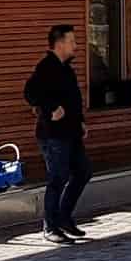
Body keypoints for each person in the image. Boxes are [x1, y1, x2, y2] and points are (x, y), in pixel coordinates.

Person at [26, 23, 92, 245]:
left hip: (71, 131)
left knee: (82, 172)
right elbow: (30, 93)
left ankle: (64, 217)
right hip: (53, 134)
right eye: (72, 41)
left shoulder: (66, 68)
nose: (75, 45)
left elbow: (74, 99)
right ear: (60, 43)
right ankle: (50, 226)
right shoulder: (46, 67)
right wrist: (50, 108)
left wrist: (80, 121)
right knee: (58, 177)